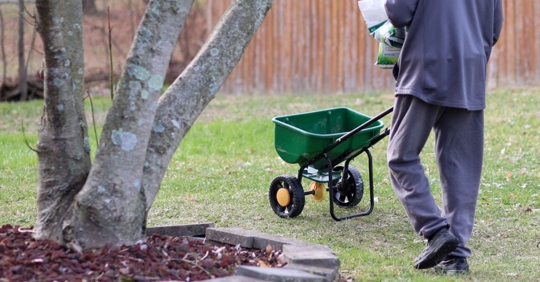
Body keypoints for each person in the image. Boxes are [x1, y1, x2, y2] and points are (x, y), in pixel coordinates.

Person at [383, 0, 503, 274]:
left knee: (400, 156)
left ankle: (436, 231)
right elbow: (494, 28)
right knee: (461, 166)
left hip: (428, 64)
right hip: (470, 70)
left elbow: (398, 12)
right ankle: (456, 257)